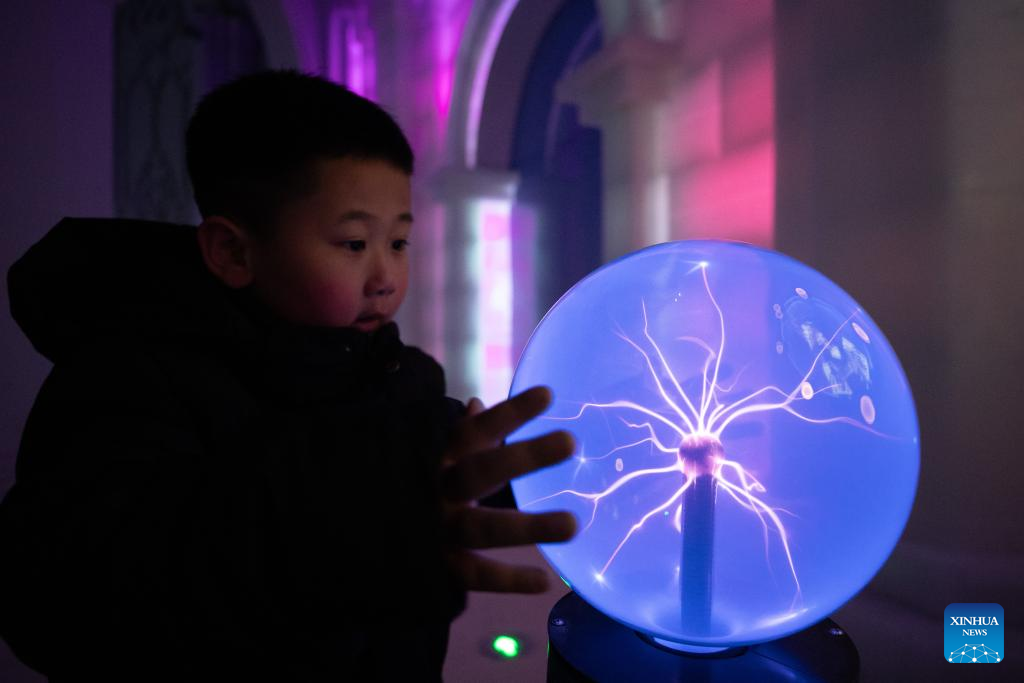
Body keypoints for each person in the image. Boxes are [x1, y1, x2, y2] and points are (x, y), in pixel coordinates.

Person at [0, 70, 576, 681]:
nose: (385, 275)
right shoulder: (126, 381)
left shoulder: (406, 382)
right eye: (354, 243)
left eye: (400, 243)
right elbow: (63, 597)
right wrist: (349, 526)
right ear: (234, 253)